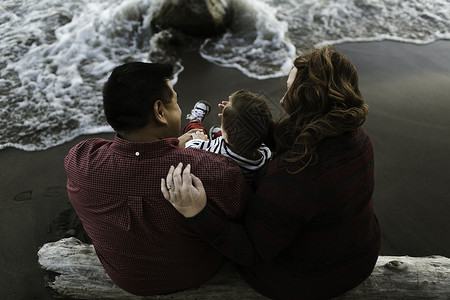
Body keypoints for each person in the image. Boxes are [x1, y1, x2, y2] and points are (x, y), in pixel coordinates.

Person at [161, 46, 382, 299]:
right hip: (360, 256)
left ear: (306, 100)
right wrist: (256, 128)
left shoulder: (293, 174)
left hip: (308, 280)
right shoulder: (355, 137)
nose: (282, 99)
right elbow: (306, 145)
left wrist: (196, 212)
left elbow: (251, 250)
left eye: (289, 90)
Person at [64, 62, 249, 296]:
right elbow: (243, 215)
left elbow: (131, 158)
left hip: (123, 277)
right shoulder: (212, 170)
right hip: (195, 272)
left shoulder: (81, 160)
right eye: (175, 101)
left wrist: (171, 146)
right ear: (160, 112)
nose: (180, 110)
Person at [184, 89, 273, 182]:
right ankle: (218, 133)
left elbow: (190, 150)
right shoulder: (266, 155)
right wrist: (235, 114)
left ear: (227, 138)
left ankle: (195, 120)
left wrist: (198, 141)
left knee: (196, 131)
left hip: (211, 153)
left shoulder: (217, 152)